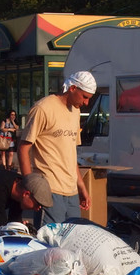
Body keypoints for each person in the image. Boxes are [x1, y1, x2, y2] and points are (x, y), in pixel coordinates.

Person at [18, 71, 95, 227]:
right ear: (73, 88)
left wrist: (81, 186)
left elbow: (70, 153)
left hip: (71, 191)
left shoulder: (75, 111)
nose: (86, 103)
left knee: (72, 243)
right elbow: (23, 148)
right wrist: (32, 186)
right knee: (50, 245)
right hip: (49, 189)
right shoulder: (43, 108)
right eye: (85, 97)